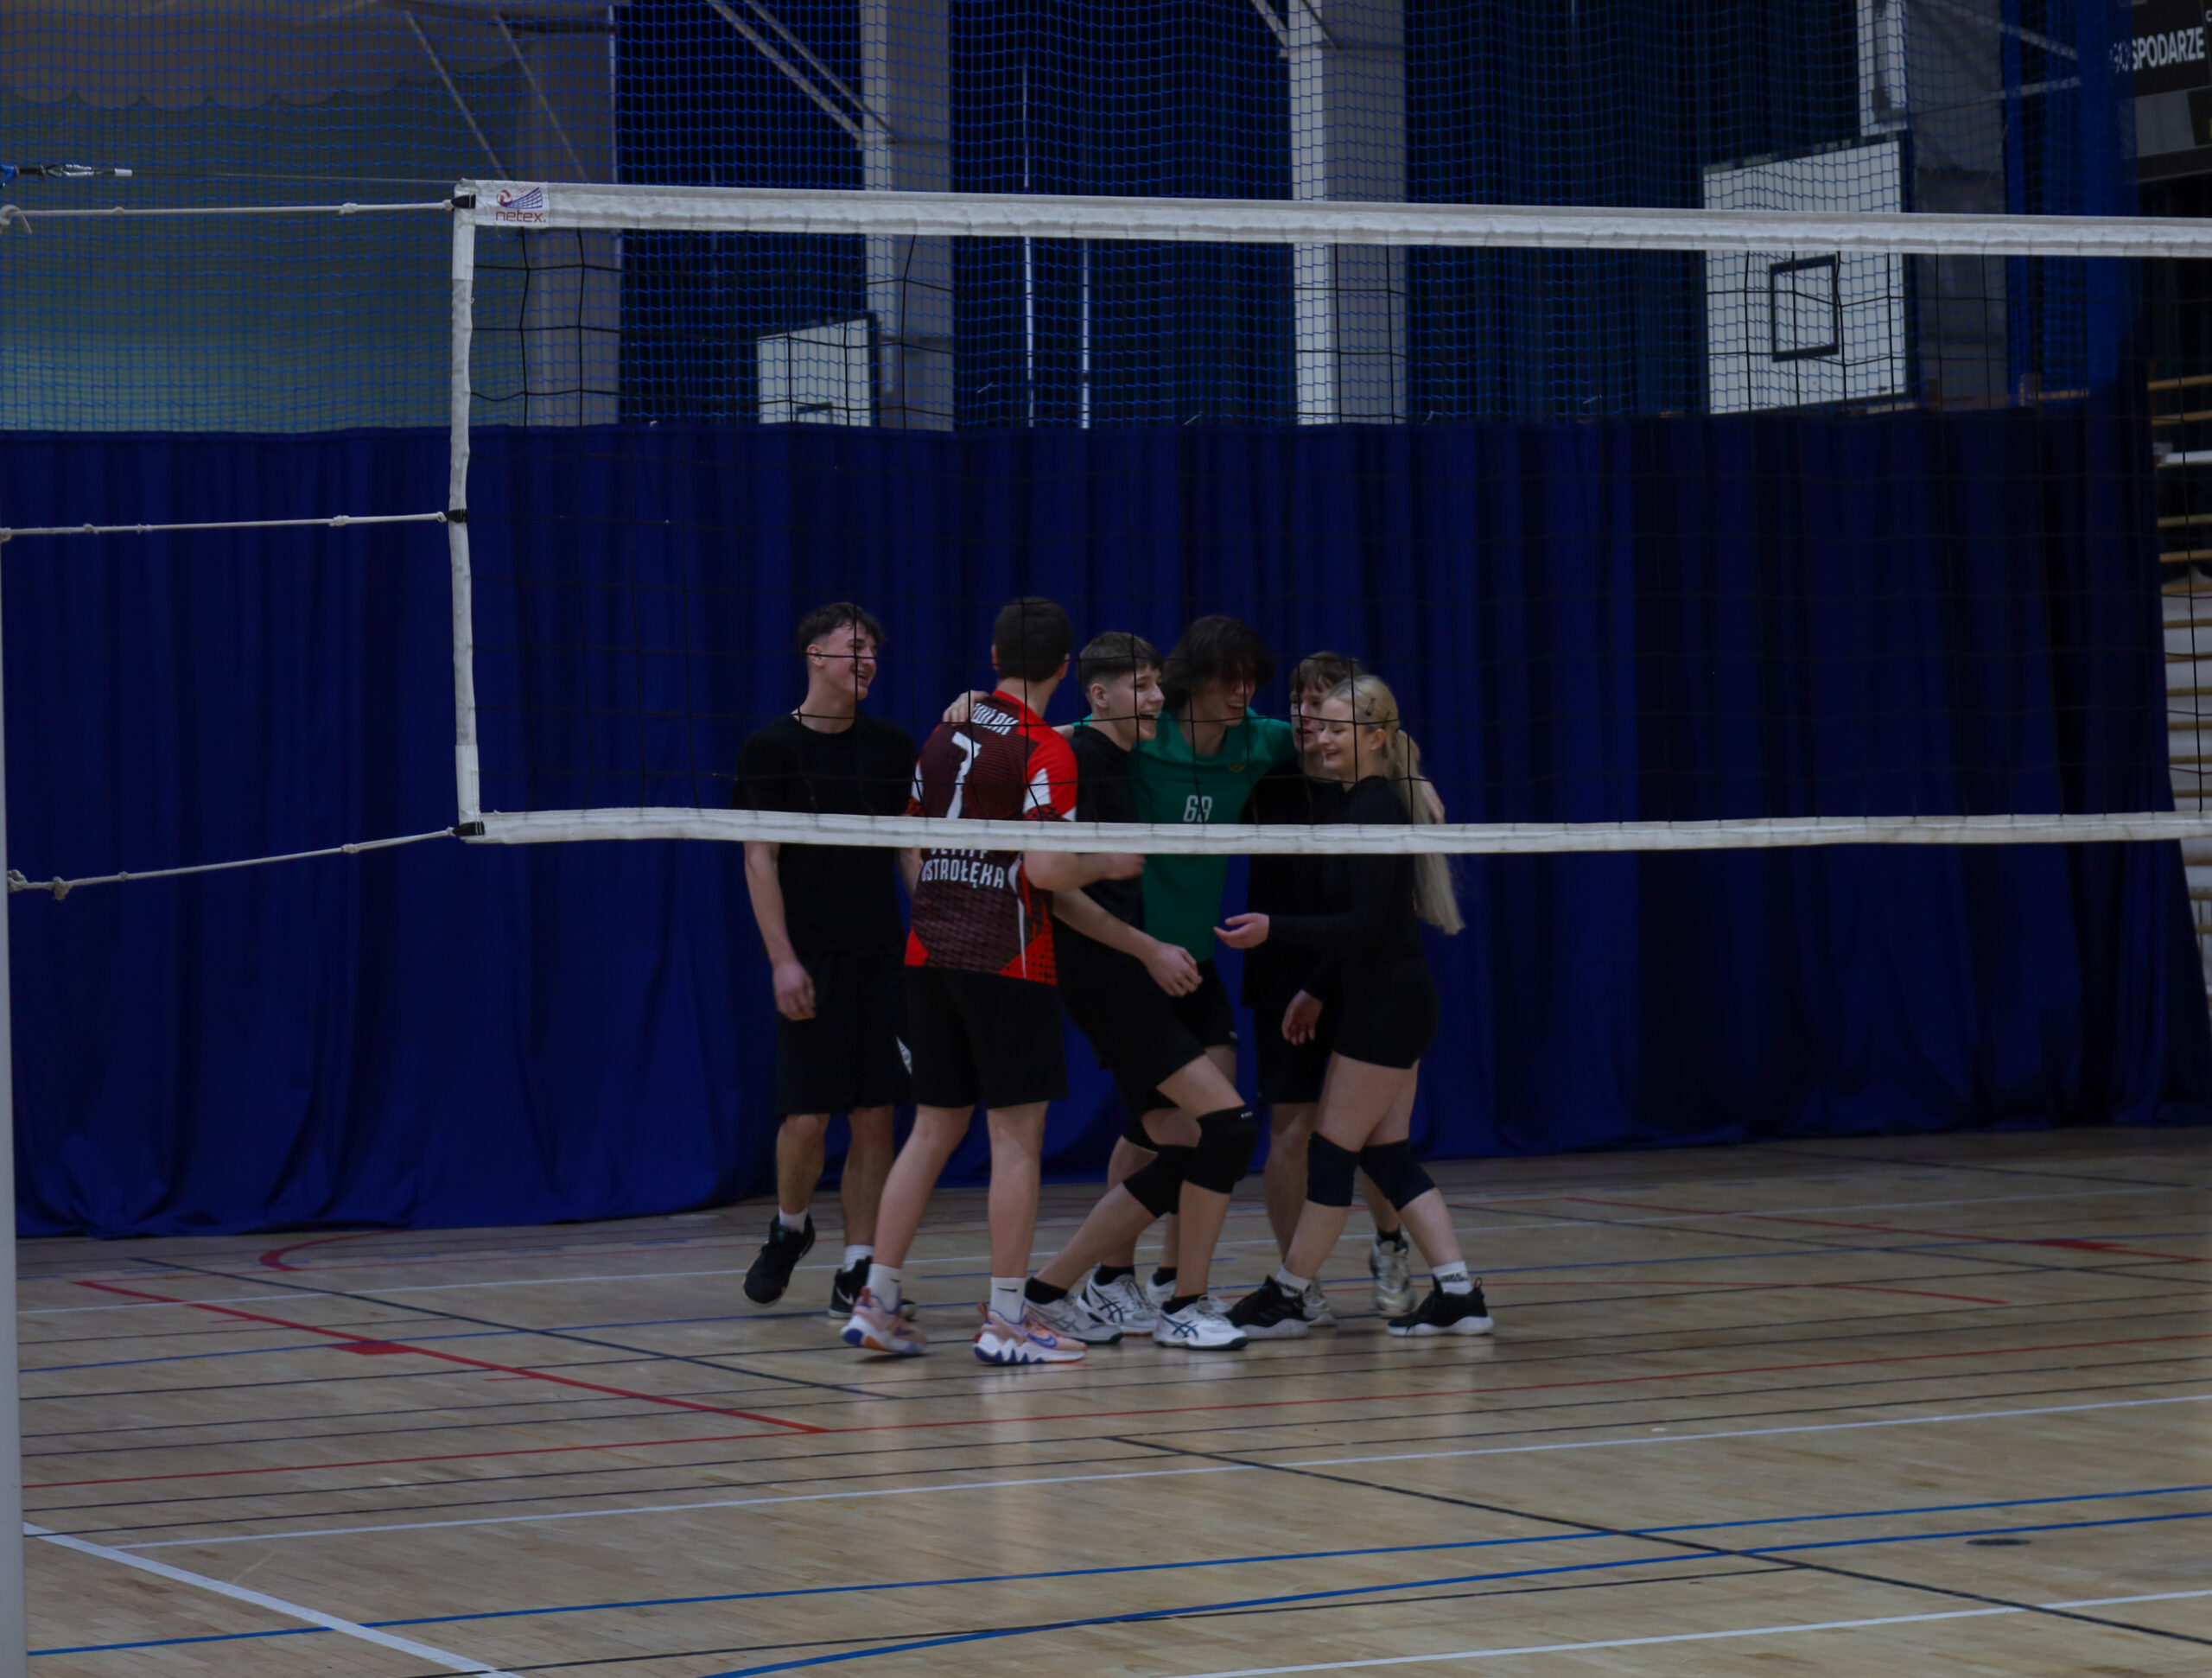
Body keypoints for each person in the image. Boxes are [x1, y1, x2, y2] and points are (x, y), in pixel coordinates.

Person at [840, 598, 1144, 1365]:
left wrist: (944, 909)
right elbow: (1046, 869)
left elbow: (910, 843)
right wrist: (1110, 861)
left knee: (931, 1130)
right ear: (1066, 668)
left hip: (930, 953)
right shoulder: (1047, 750)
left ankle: (877, 1302)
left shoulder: (943, 734)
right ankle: (1009, 1319)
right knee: (1015, 1139)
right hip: (1008, 958)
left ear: (995, 655)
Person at [1217, 675, 1492, 1338]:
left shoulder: (1374, 808)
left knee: (1333, 1154)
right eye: (1322, 728)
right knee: (1387, 1156)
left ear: (1375, 738)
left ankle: (1289, 1294)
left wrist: (1274, 929)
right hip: (1390, 1000)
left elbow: (1364, 925)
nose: (1323, 739)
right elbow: (1371, 927)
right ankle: (1459, 1294)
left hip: (1386, 1008)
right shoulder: (1363, 801)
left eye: (1338, 730)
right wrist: (1315, 985)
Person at [1018, 633, 1258, 1351]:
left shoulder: (1120, 757)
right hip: (1110, 979)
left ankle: (1061, 1291)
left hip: (1136, 971)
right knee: (1229, 1129)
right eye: (1142, 686)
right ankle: (1176, 1302)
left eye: (1158, 684)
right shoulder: (1081, 760)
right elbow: (1053, 888)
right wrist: (1147, 949)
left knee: (1185, 1145)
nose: (1158, 698)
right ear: (1099, 695)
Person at [734, 602, 916, 1314]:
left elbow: (907, 847)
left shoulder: (892, 746)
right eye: (854, 647)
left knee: (875, 1115)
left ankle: (858, 1268)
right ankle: (790, 1227)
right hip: (810, 956)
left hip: (879, 953)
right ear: (816, 655)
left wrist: (932, 933)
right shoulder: (770, 749)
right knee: (807, 1119)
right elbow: (759, 859)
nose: (867, 660)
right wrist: (782, 960)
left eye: (873, 650)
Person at [1246, 651, 1414, 1320]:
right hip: (1280, 968)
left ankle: (1391, 1244)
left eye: (1322, 705)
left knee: (1374, 1138)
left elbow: (1369, 918)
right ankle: (1299, 1282)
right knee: (1290, 1129)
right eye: (1299, 703)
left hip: (1356, 972)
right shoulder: (1267, 774)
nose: (1307, 716)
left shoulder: (1378, 791)